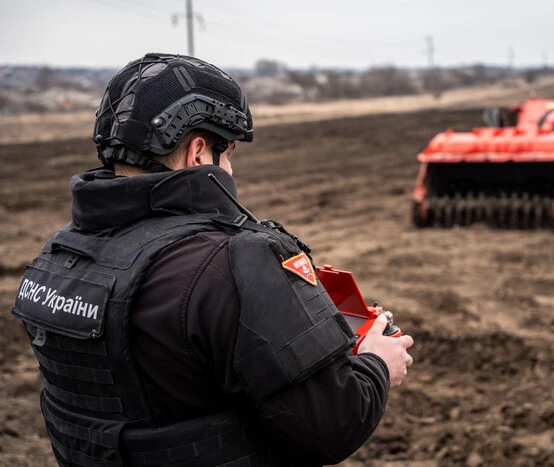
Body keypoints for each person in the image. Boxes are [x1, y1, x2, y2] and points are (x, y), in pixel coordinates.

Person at [11, 53, 414, 467]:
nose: (231, 170)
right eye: (230, 152)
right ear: (199, 152)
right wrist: (377, 365)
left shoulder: (59, 256)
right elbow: (331, 426)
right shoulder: (234, 262)